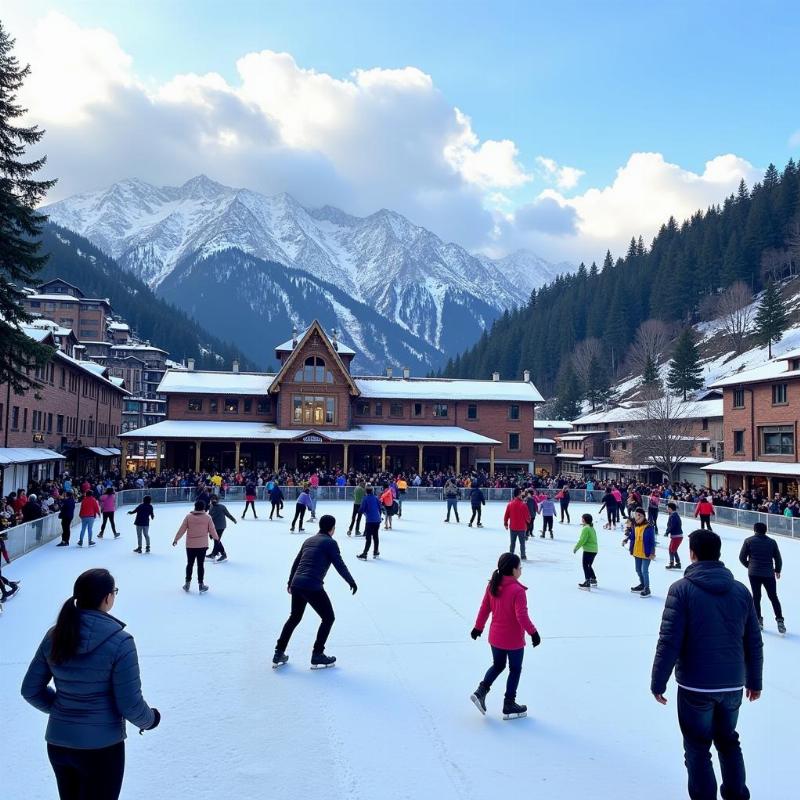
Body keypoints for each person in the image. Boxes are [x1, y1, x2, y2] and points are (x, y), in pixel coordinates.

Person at [20, 568, 160, 800]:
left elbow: (30, 690)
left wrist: (61, 709)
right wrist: (151, 719)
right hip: (102, 750)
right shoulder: (121, 642)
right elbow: (130, 704)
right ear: (107, 598)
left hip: (59, 744)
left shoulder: (55, 635)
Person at [651, 529, 763, 800]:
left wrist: (658, 681)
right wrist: (754, 680)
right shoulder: (739, 590)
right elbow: (754, 641)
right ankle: (736, 795)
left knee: (698, 747)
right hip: (733, 683)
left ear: (692, 554)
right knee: (728, 741)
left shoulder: (682, 589)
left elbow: (669, 640)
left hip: (695, 685)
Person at [273, 514, 357, 669]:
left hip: (297, 583)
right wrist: (350, 580)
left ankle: (279, 652)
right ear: (332, 528)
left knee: (294, 617)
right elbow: (339, 564)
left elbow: (296, 563)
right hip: (312, 585)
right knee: (328, 618)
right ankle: (317, 653)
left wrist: (290, 582)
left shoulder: (309, 540)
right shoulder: (330, 543)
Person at [469, 552, 541, 720]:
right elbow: (521, 616)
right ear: (513, 570)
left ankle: (481, 691)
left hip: (495, 637)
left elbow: (484, 608)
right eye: (519, 567)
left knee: (498, 665)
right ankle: (509, 703)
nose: (521, 570)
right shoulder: (517, 590)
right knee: (515, 669)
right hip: (513, 640)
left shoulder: (493, 585)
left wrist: (478, 628)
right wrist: (534, 633)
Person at [739, 522, 785, 634]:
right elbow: (778, 558)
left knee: (756, 596)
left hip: (754, 573)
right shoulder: (772, 542)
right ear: (766, 530)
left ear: (754, 530)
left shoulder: (748, 541)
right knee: (773, 597)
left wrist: (750, 566)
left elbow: (741, 557)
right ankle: (780, 620)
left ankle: (758, 621)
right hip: (768, 573)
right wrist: (777, 570)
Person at [173, 500, 219, 592]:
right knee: (200, 565)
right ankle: (201, 584)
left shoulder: (189, 517)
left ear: (195, 507)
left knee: (190, 564)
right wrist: (217, 539)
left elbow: (182, 529)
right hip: (202, 545)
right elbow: (212, 530)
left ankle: (187, 584)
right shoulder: (208, 517)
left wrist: (176, 539)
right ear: (203, 507)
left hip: (190, 545)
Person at [622, 507, 656, 597]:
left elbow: (652, 541)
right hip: (637, 551)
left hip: (646, 552)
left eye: (637, 515)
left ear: (642, 516)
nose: (636, 517)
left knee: (644, 570)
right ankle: (642, 584)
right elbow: (633, 536)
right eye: (635, 515)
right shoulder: (636, 526)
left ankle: (647, 589)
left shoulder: (649, 527)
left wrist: (652, 552)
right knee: (638, 570)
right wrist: (626, 540)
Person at [503, 488, 531, 560]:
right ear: (518, 494)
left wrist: (506, 523)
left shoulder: (510, 504)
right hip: (521, 527)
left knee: (512, 543)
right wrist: (528, 521)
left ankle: (511, 554)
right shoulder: (523, 505)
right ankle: (523, 555)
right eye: (521, 493)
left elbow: (506, 515)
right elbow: (528, 517)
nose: (522, 494)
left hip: (513, 527)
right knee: (522, 543)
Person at [209, 495, 237, 563]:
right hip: (214, 527)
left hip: (220, 527)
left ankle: (223, 554)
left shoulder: (221, 507)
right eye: (212, 500)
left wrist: (233, 519)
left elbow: (228, 514)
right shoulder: (211, 507)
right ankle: (214, 553)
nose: (213, 501)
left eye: (214, 500)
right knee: (216, 540)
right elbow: (209, 518)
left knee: (217, 540)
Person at [357, 484, 382, 560]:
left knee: (368, 538)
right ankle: (376, 552)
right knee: (375, 536)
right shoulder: (376, 498)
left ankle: (365, 554)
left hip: (370, 520)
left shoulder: (365, 499)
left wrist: (360, 511)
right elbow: (380, 508)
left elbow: (362, 509)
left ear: (365, 491)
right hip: (377, 520)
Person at [574, 513, 598, 590]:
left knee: (585, 565)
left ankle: (587, 582)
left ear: (584, 520)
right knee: (588, 565)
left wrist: (576, 547)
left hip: (588, 550)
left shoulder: (586, 528)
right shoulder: (591, 528)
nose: (581, 519)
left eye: (582, 518)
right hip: (594, 550)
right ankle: (593, 579)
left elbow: (582, 540)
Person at [664, 501, 683, 570]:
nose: (667, 509)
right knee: (671, 549)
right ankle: (674, 563)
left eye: (667, 508)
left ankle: (676, 563)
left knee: (672, 549)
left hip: (677, 536)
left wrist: (667, 532)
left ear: (670, 508)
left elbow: (672, 525)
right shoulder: (673, 515)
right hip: (676, 536)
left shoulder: (674, 516)